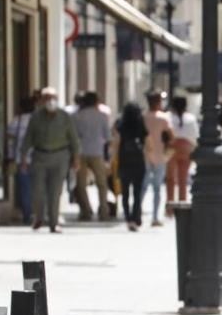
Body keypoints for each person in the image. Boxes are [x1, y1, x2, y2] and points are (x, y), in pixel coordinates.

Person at [20, 87, 81, 233]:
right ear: (42, 100)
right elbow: (28, 138)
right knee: (38, 190)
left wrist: (76, 158)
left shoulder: (64, 116)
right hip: (40, 157)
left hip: (60, 157)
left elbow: (73, 139)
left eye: (53, 97)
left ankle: (54, 223)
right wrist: (23, 157)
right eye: (47, 98)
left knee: (55, 191)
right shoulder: (36, 117)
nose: (50, 101)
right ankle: (39, 217)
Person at [71, 91, 112, 221]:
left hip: (80, 152)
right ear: (96, 102)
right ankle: (104, 211)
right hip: (97, 152)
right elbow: (108, 137)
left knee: (81, 184)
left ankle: (86, 211)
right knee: (102, 183)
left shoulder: (76, 116)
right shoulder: (102, 116)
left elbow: (73, 136)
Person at [111, 103, 149, 232]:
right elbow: (147, 143)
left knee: (125, 192)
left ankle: (128, 218)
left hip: (124, 161)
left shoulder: (120, 124)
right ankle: (136, 216)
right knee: (137, 192)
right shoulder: (140, 123)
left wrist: (112, 159)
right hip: (138, 162)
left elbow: (116, 142)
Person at [142, 92, 174, 227]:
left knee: (143, 186)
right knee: (157, 188)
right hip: (160, 155)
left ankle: (136, 211)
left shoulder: (143, 117)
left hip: (145, 154)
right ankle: (155, 217)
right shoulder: (163, 118)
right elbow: (171, 136)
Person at [6, 96, 36, 225]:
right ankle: (39, 213)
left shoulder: (16, 121)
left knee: (25, 188)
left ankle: (27, 215)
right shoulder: (38, 121)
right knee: (38, 187)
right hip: (37, 159)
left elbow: (9, 139)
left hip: (20, 159)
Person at [166, 95, 198, 215]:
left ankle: (169, 207)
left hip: (172, 149)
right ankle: (182, 205)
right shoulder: (191, 118)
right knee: (182, 179)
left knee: (170, 179)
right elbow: (195, 136)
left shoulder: (168, 117)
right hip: (186, 148)